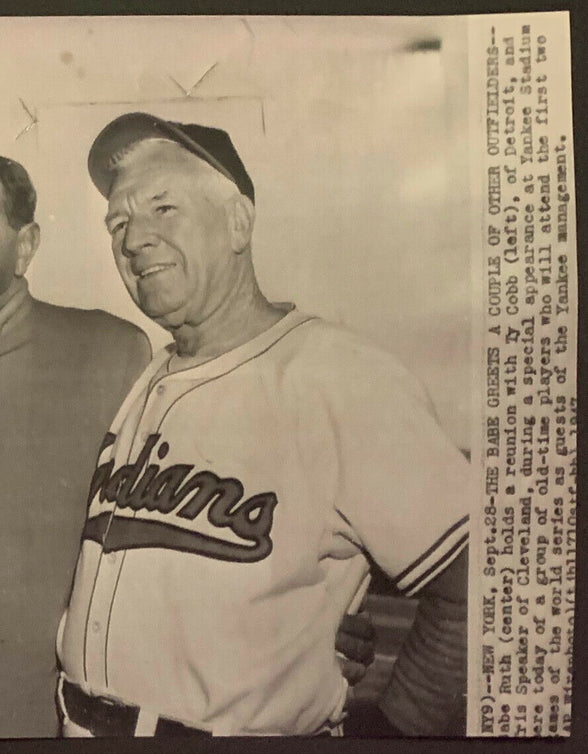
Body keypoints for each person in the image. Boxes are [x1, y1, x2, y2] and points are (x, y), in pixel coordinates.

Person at [0, 136, 379, 740]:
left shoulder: (107, 355)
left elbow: (221, 516)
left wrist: (323, 619)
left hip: (29, 727)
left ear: (25, 247)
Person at [54, 112, 470, 738]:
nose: (135, 238)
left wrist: (390, 733)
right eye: (119, 221)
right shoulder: (142, 375)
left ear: (239, 222)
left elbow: (483, 586)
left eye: (163, 208)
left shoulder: (341, 376)